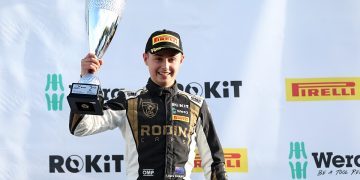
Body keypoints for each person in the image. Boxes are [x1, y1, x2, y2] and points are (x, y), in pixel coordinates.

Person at [69, 29, 228, 180]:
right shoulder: (128, 102)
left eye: (171, 59)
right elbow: (80, 127)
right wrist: (86, 80)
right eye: (158, 58)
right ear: (146, 59)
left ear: (181, 60)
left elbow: (215, 162)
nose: (165, 66)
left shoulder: (196, 106)